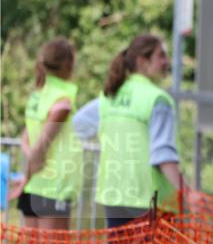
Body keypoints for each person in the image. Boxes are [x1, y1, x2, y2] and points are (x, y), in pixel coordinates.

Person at [73, 34, 200, 227]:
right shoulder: (157, 99)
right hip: (151, 200)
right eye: (161, 56)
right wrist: (187, 193)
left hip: (114, 195)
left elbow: (78, 125)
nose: (167, 62)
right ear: (142, 61)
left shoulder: (110, 96)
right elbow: (163, 154)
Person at [13, 37, 82, 230]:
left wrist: (27, 178)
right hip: (54, 189)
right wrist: (30, 169)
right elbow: (38, 150)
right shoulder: (63, 101)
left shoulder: (37, 96)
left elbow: (26, 140)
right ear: (69, 65)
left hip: (34, 186)